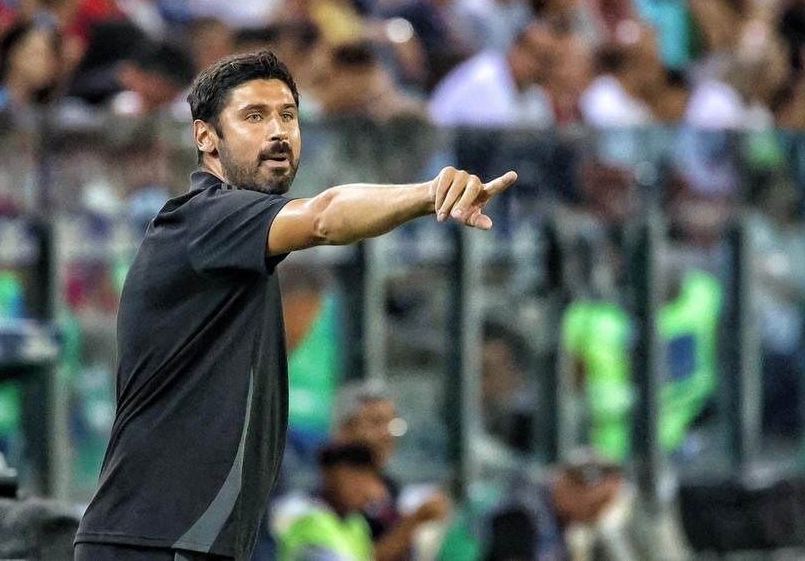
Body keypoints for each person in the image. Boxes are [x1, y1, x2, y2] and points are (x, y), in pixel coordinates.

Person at [73, 49, 517, 561]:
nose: (278, 131)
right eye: (254, 116)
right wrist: (429, 193)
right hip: (152, 542)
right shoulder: (203, 220)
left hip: (179, 542)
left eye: (288, 115)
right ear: (205, 137)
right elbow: (324, 217)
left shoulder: (230, 243)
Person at [331, 379, 452, 561]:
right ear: (345, 431)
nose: (387, 434)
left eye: (391, 423)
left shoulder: (391, 487)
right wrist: (414, 522)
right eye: (376, 423)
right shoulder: (332, 493)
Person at [276, 443, 386, 561]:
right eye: (351, 479)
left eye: (366, 479)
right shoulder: (309, 520)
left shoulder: (358, 524)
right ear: (328, 475)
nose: (359, 487)